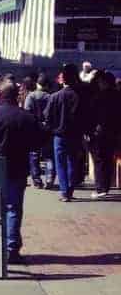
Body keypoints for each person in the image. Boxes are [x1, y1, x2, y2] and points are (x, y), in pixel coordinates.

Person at [0, 80, 43, 262]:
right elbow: (37, 143)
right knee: (13, 207)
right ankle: (11, 248)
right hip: (16, 168)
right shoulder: (26, 117)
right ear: (17, 96)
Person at [45, 63, 86, 202]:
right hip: (75, 134)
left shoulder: (55, 96)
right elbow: (83, 116)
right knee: (72, 162)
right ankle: (70, 189)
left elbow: (48, 116)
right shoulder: (78, 96)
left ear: (63, 80)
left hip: (59, 134)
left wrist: (52, 128)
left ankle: (64, 192)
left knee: (60, 163)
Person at [88, 70, 119, 199]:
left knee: (99, 160)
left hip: (99, 132)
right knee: (108, 159)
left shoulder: (99, 97)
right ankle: (106, 186)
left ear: (104, 82)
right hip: (114, 132)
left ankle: (101, 188)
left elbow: (92, 116)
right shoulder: (118, 95)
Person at [24, 74, 55, 188]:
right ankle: (50, 178)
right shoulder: (50, 97)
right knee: (49, 156)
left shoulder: (30, 96)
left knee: (34, 155)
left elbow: (27, 112)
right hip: (48, 129)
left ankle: (37, 180)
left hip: (34, 129)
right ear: (46, 85)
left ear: (37, 84)